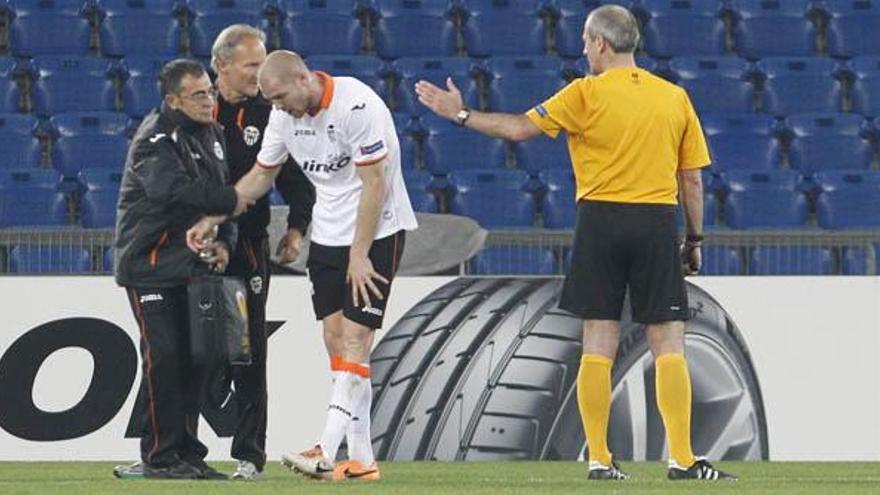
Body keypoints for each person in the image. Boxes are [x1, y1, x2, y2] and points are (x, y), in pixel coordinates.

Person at [414, 5, 735, 482]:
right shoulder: (674, 97)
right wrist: (694, 238)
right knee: (668, 342)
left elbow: (520, 129)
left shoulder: (584, 93)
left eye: (586, 41)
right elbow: (691, 180)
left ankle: (601, 459)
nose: (584, 49)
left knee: (598, 342)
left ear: (601, 43)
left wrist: (458, 113)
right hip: (655, 221)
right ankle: (683, 460)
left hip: (600, 220)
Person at [187, 50, 418, 482]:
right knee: (335, 339)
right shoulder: (283, 118)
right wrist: (214, 218)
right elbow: (259, 177)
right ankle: (363, 459)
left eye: (279, 97)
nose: (275, 107)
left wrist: (360, 254)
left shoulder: (356, 104)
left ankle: (326, 448)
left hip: (378, 229)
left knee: (356, 336)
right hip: (329, 234)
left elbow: (375, 184)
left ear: (303, 79)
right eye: (270, 100)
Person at [112, 58, 252, 480]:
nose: (210, 100)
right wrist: (234, 198)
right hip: (149, 265)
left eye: (210, 91)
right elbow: (174, 193)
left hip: (194, 267)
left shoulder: (213, 134)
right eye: (198, 94)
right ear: (173, 99)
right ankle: (158, 455)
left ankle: (187, 453)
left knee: (197, 360)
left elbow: (216, 194)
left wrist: (225, 244)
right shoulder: (155, 139)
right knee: (165, 358)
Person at [210, 24, 316, 481]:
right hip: (194, 252)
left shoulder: (269, 114)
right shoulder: (195, 109)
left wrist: (295, 229)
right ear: (222, 65)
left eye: (263, 62)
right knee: (188, 351)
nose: (260, 72)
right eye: (252, 64)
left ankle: (249, 455)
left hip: (247, 250)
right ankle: (178, 450)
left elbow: (296, 182)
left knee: (247, 352)